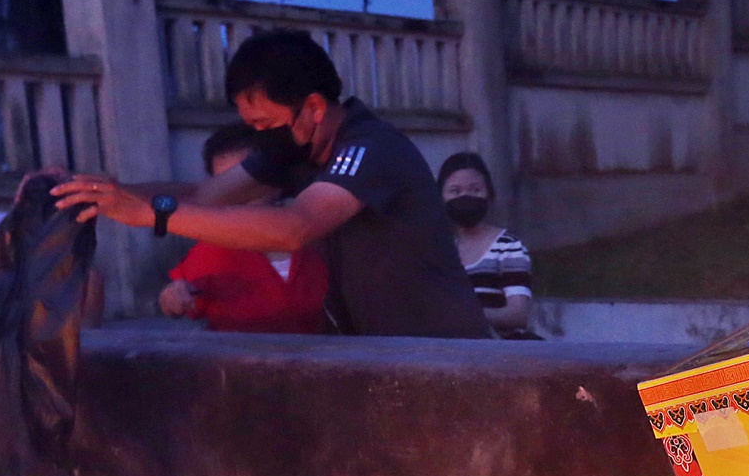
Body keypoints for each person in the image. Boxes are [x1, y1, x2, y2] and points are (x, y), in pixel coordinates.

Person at [53, 29, 489, 339]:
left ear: (314, 107)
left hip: (444, 347)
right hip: (381, 351)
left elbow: (296, 226)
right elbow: (204, 195)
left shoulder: (369, 148)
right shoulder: (295, 148)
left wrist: (153, 213)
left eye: (266, 124)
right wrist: (99, 192)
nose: (261, 136)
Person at [158, 125, 329, 333]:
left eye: (247, 183)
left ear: (278, 178)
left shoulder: (319, 231)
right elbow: (181, 293)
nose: (240, 195)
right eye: (227, 187)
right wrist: (174, 296)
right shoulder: (214, 248)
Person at [437, 151, 537, 338]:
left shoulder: (508, 247)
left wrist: (467, 315)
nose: (465, 196)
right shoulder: (440, 251)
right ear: (441, 197)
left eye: (475, 190)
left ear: (489, 194)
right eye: (455, 191)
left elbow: (518, 315)